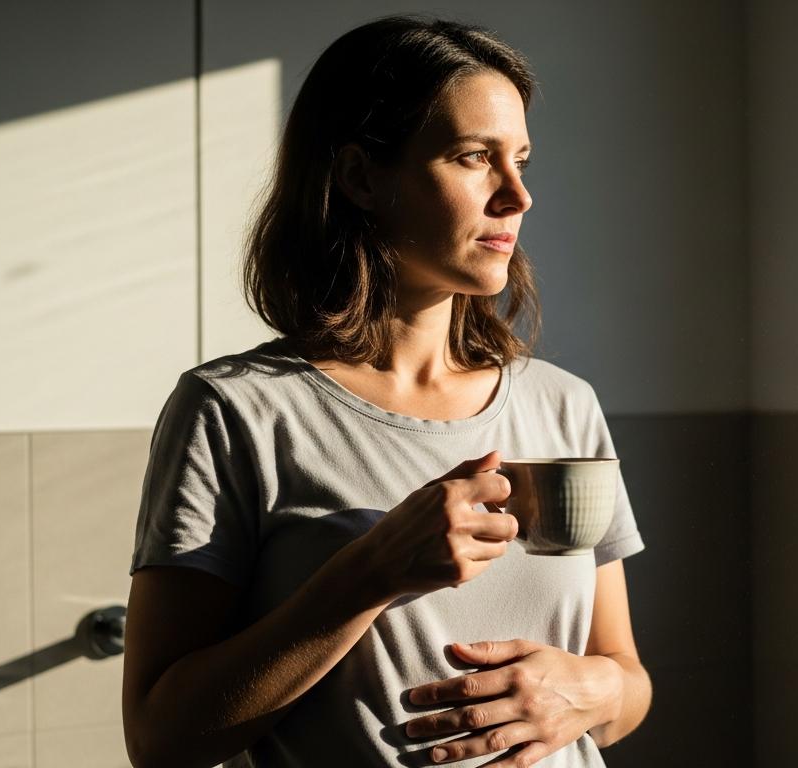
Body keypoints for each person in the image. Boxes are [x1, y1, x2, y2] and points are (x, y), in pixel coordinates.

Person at [122, 15, 650, 768]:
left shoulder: (564, 405)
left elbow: (628, 684)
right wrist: (368, 574)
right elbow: (159, 740)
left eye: (522, 159)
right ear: (361, 176)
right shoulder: (236, 411)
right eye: (475, 157)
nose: (518, 196)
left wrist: (591, 690)